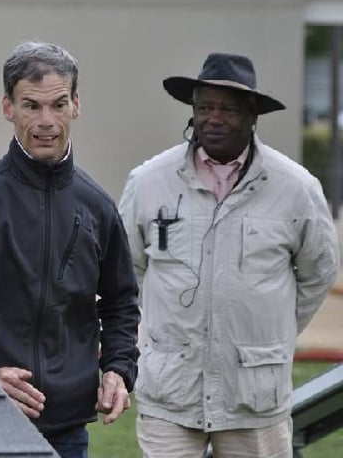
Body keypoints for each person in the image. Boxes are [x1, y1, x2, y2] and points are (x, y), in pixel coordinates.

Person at [0, 41, 140, 457]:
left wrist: (118, 368)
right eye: (31, 106)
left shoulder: (98, 206)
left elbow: (121, 302)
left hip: (69, 429)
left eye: (58, 105)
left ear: (76, 105)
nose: (46, 122)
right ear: (8, 108)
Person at [118, 52, 340, 458]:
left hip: (255, 397)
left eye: (227, 109)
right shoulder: (148, 182)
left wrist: (274, 332)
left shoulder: (296, 188)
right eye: (204, 107)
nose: (213, 118)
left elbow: (319, 271)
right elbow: (126, 271)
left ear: (253, 115)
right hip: (170, 391)